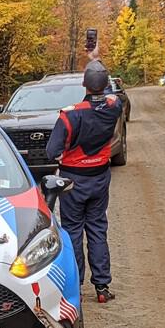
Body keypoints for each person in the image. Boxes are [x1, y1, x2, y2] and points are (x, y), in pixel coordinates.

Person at [45, 51, 122, 303]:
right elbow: (110, 94)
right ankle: (102, 287)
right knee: (98, 228)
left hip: (73, 180)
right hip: (100, 176)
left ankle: (75, 286)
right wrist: (97, 59)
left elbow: (51, 151)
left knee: (73, 231)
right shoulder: (113, 108)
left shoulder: (70, 115)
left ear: (84, 85)